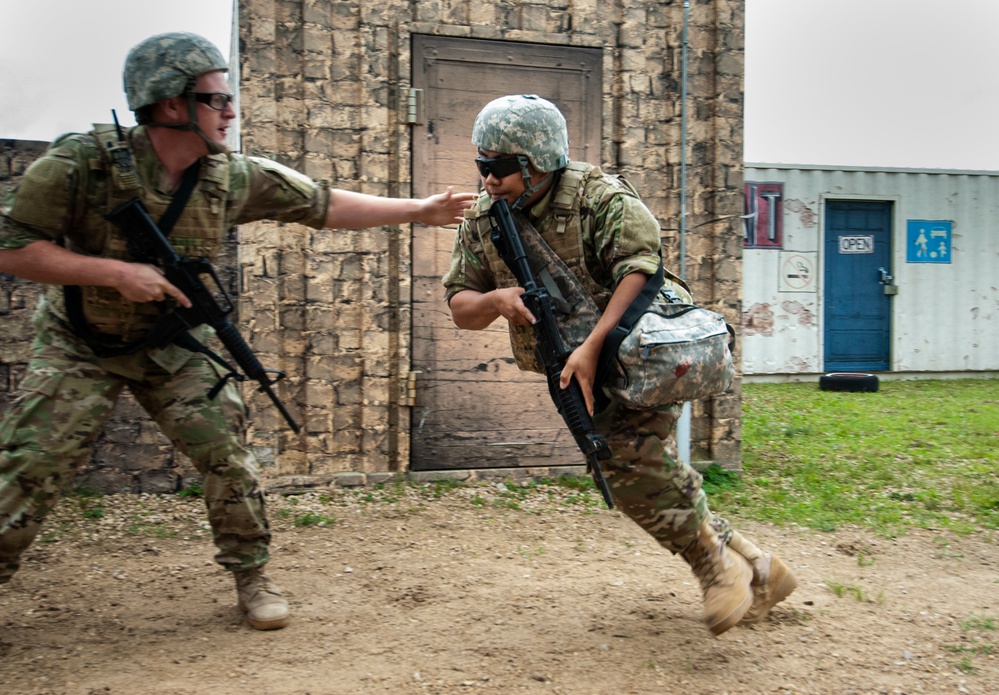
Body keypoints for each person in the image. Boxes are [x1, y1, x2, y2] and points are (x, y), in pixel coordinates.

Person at [0, 32, 474, 631]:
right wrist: (112, 273)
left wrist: (418, 210)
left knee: (228, 454)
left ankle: (251, 575)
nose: (230, 112)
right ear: (172, 105)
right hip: (80, 343)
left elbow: (321, 204)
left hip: (168, 345)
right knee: (33, 464)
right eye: (217, 100)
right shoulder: (81, 165)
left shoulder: (228, 177)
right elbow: (11, 248)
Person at [442, 94, 796, 636]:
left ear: (538, 161)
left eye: (501, 168)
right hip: (573, 363)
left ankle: (716, 567)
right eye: (482, 166)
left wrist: (593, 346)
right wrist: (495, 302)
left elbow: (641, 269)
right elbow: (461, 305)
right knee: (632, 460)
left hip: (641, 346)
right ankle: (759, 567)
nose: (489, 180)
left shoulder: (598, 198)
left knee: (626, 460)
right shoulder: (486, 222)